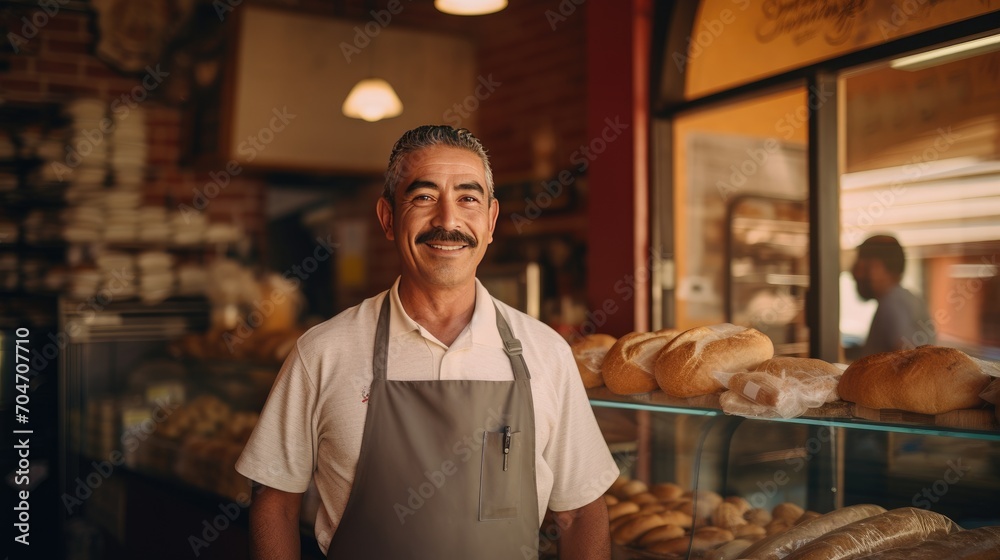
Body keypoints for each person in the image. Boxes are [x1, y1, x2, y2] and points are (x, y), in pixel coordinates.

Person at [236, 125, 619, 559]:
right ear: (387, 217)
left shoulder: (546, 353)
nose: (448, 221)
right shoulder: (323, 352)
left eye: (468, 198)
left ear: (491, 221)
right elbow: (275, 502)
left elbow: (581, 512)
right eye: (423, 197)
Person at [846, 234, 935, 360]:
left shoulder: (892, 304)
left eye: (860, 265)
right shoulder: (909, 299)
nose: (854, 274)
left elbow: (908, 358)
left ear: (875, 266)